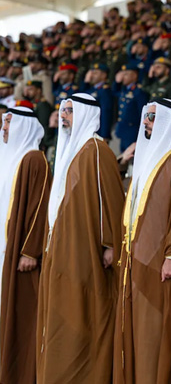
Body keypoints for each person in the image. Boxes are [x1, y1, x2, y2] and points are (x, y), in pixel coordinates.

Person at [114, 98, 171, 384]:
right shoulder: (150, 158)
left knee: (154, 334)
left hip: (161, 267)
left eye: (152, 117)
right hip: (136, 264)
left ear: (169, 121)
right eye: (146, 116)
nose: (146, 122)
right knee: (136, 333)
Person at [36, 93, 125, 384]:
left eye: (70, 111)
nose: (63, 116)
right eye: (63, 110)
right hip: (61, 249)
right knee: (59, 317)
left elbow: (111, 200)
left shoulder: (96, 150)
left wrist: (110, 244)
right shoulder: (73, 150)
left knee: (80, 317)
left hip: (85, 252)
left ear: (86, 114)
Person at [0, 106, 51, 384]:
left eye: (9, 122)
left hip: (19, 252)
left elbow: (39, 208)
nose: (4, 128)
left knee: (19, 313)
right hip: (3, 247)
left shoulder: (33, 160)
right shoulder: (6, 156)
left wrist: (30, 251)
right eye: (4, 122)